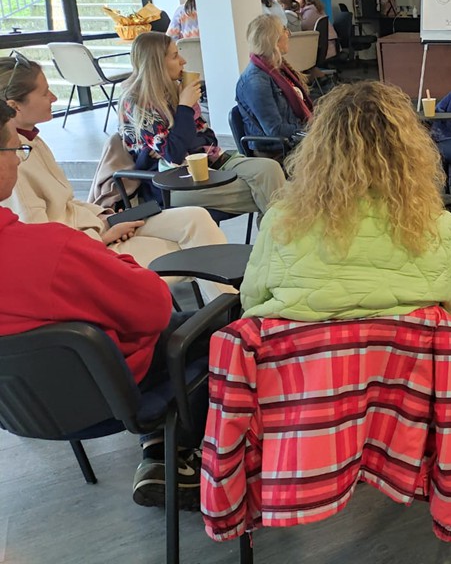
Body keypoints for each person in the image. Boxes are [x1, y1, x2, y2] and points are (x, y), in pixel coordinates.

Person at [0, 101, 211, 509]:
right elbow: (153, 308)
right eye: (15, 149)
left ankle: (161, 451)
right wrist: (116, 260)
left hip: (22, 409)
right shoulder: (50, 250)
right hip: (110, 397)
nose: (19, 158)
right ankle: (181, 456)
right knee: (217, 331)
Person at [0, 54, 230, 301]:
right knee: (192, 251)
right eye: (45, 93)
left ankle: (233, 309)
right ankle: (233, 311)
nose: (54, 98)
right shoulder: (13, 159)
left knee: (196, 218)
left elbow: (66, 203)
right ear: (15, 106)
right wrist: (100, 238)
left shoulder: (34, 141)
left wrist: (105, 216)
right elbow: (41, 242)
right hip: (83, 251)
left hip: (94, 228)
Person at [240, 81, 451, 322]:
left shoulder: (281, 222)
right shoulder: (440, 226)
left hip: (298, 345)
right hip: (408, 345)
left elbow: (252, 301)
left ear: (317, 152)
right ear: (411, 153)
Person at [118, 32, 286, 220]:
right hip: (170, 184)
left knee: (270, 170)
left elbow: (208, 137)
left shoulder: (174, 91)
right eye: (175, 56)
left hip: (210, 163)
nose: (183, 61)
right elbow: (175, 154)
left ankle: (277, 234)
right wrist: (184, 108)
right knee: (271, 190)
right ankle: (280, 236)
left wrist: (181, 138)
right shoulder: (136, 102)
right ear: (156, 63)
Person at [235, 15, 312, 149]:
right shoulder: (255, 81)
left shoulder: (277, 69)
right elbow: (275, 130)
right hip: (278, 148)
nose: (288, 34)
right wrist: (311, 129)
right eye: (284, 30)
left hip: (295, 137)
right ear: (273, 40)